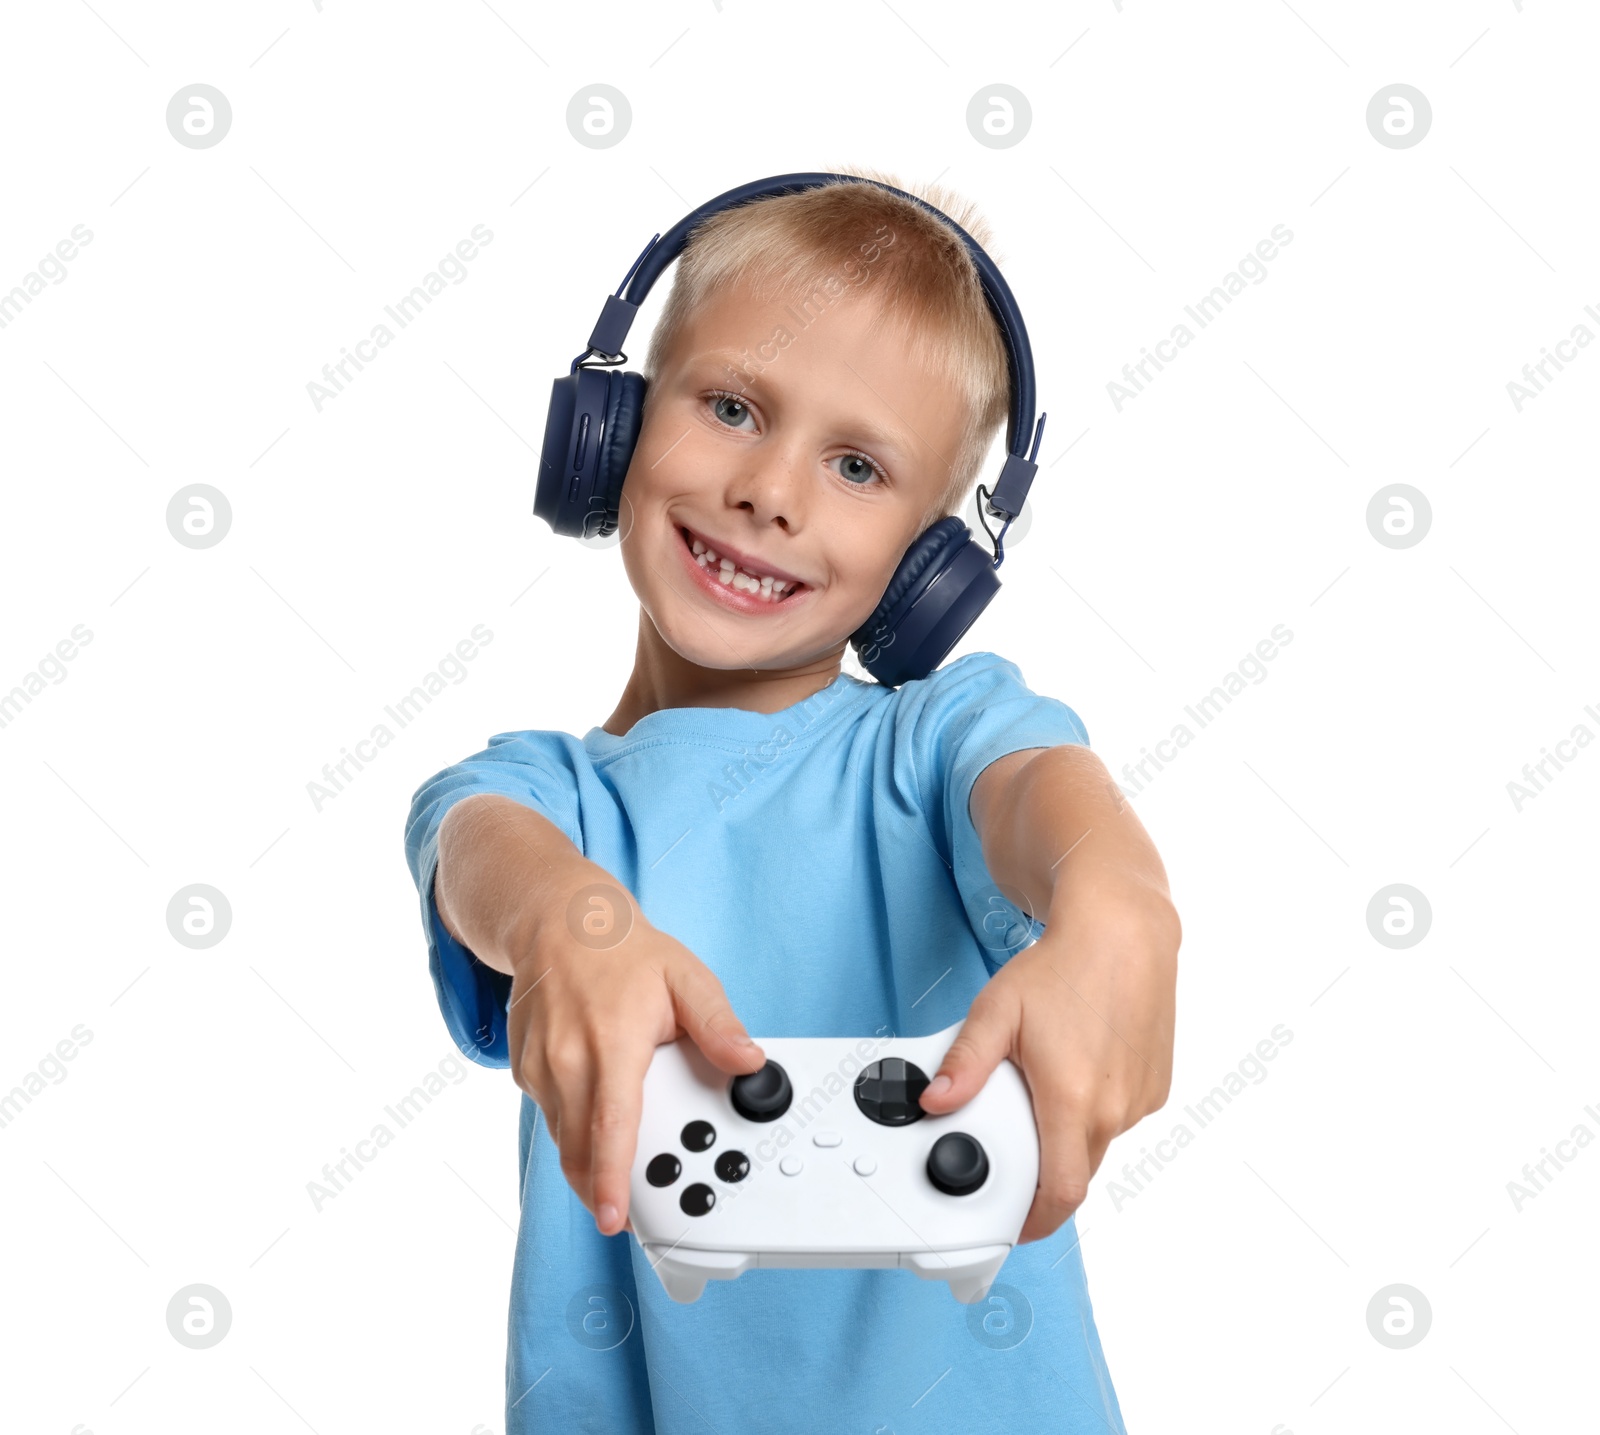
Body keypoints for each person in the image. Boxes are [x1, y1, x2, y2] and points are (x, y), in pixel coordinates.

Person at [404, 165, 1180, 1434]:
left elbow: (1048, 792)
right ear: (614, 427)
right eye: (728, 404)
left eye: (860, 468)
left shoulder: (935, 741)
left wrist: (1119, 909)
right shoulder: (535, 797)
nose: (773, 490)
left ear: (934, 562)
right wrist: (566, 924)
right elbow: (483, 856)